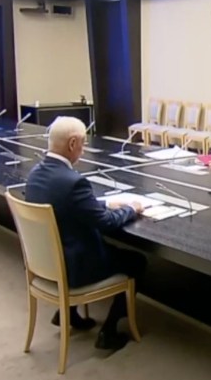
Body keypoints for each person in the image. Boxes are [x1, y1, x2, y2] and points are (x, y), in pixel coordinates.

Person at [24, 116, 146, 351]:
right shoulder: (73, 182)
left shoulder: (36, 174)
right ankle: (109, 331)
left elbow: (68, 206)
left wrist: (103, 203)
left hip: (46, 263)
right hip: (76, 268)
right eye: (83, 142)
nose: (84, 148)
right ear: (72, 144)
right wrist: (131, 209)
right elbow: (106, 224)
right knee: (137, 262)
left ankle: (67, 313)